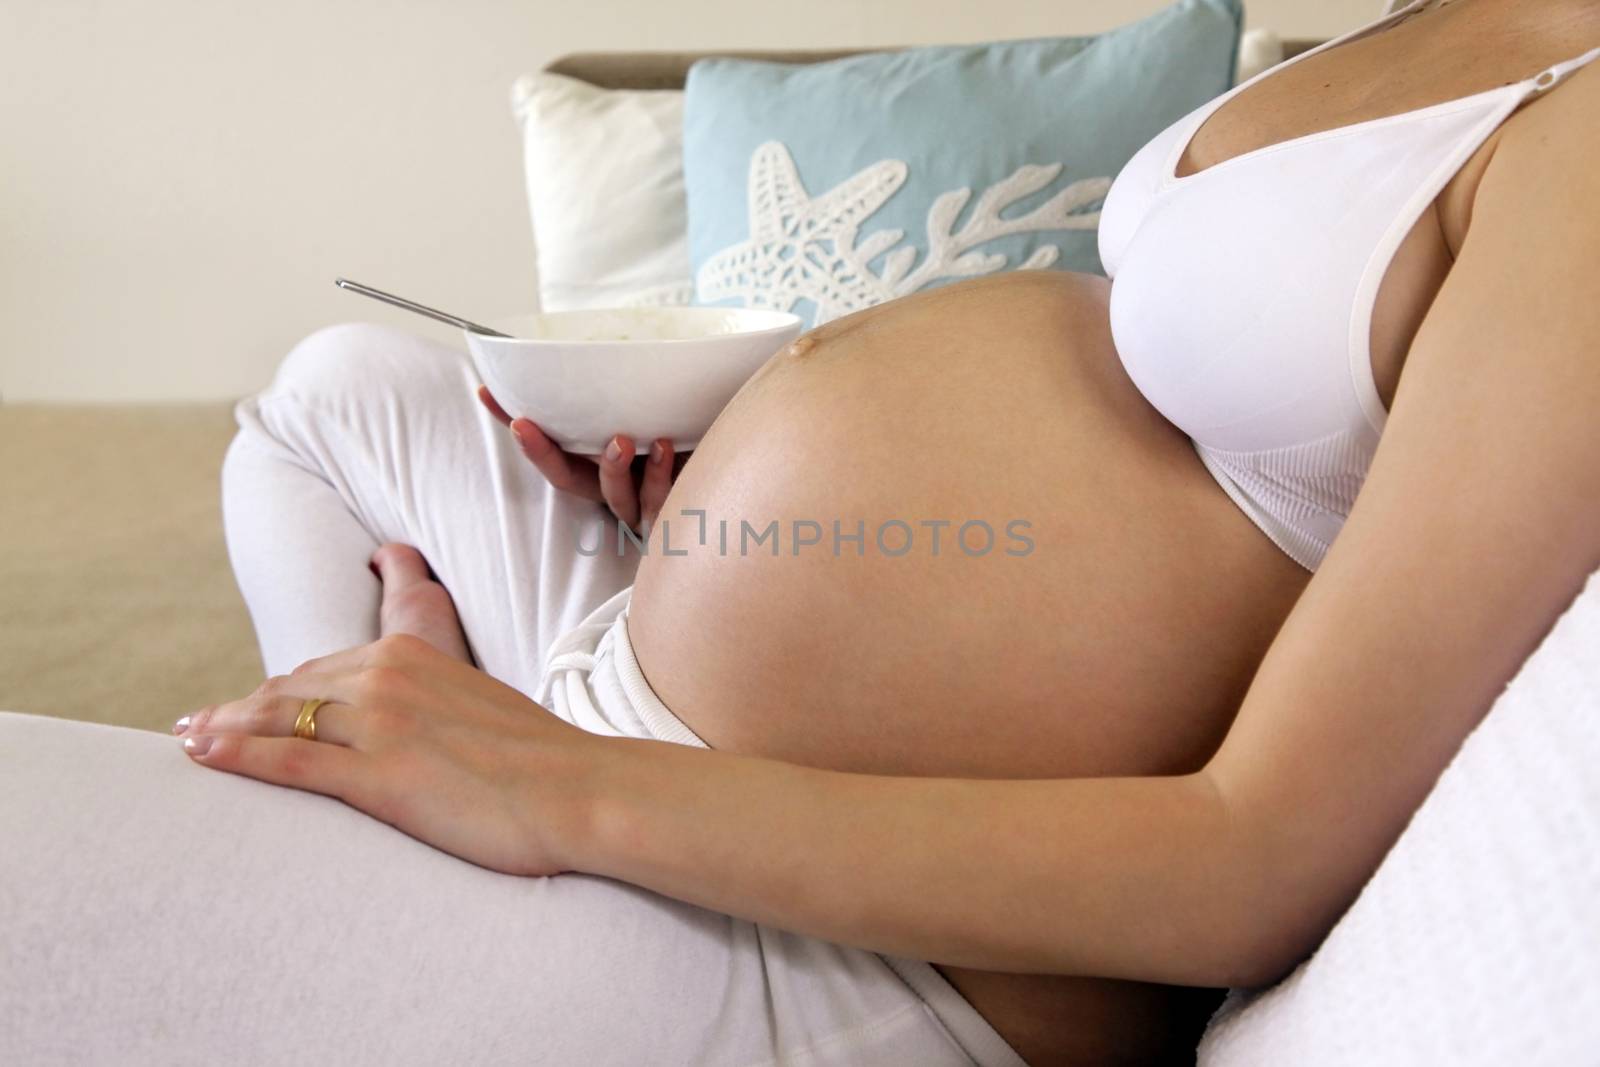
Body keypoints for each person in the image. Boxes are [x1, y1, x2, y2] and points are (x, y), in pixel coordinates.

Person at [3, 0, 1597, 1062]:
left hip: (827, 946)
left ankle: (406, 788)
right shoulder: (1450, 19)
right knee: (333, 400)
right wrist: (711, 519)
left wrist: (557, 786)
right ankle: (369, 726)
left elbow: (1259, 863)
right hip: (643, 686)